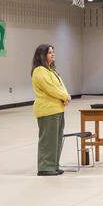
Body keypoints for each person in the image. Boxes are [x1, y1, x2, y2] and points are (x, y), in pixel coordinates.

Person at [31, 44, 70, 176]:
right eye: (49, 53)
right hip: (47, 110)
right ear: (42, 55)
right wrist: (65, 96)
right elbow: (50, 88)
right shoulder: (39, 71)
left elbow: (60, 86)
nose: (53, 54)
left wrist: (66, 96)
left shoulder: (51, 70)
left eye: (53, 52)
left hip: (58, 109)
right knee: (48, 140)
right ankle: (45, 167)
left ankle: (53, 165)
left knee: (56, 140)